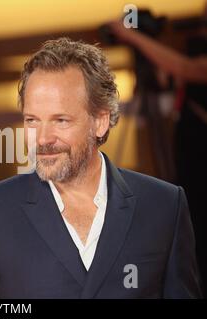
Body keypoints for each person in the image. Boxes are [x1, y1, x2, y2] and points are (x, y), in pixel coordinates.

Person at [0, 38, 202, 298]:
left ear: (100, 122)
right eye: (32, 120)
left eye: (61, 120)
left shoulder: (164, 205)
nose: (43, 138)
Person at [110, 15, 207, 296]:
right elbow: (172, 74)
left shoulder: (196, 61)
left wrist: (132, 36)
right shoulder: (191, 49)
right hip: (189, 161)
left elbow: (184, 68)